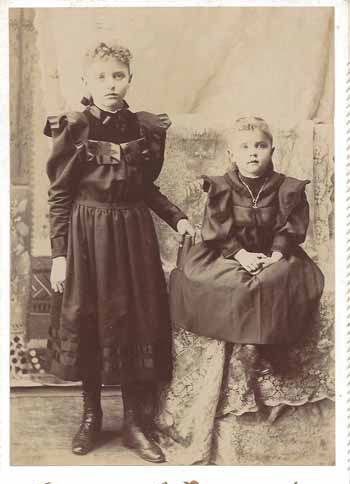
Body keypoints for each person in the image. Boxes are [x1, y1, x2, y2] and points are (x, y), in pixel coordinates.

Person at [44, 40, 194, 462]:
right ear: (86, 82)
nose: (111, 84)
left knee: (137, 322)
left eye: (118, 75)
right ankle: (91, 416)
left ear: (129, 79)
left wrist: (178, 218)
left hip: (132, 236)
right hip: (87, 237)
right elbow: (59, 196)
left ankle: (134, 423)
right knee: (88, 319)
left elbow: (147, 189)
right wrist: (60, 255)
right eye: (101, 76)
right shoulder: (74, 128)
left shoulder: (144, 129)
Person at [169, 116, 324, 403]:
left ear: (272, 151)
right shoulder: (221, 187)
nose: (253, 152)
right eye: (244, 147)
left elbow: (290, 228)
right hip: (228, 251)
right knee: (222, 281)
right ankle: (247, 345)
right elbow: (217, 228)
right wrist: (239, 254)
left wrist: (275, 255)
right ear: (232, 155)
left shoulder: (287, 188)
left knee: (276, 279)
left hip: (275, 253)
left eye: (260, 145)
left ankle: (270, 345)